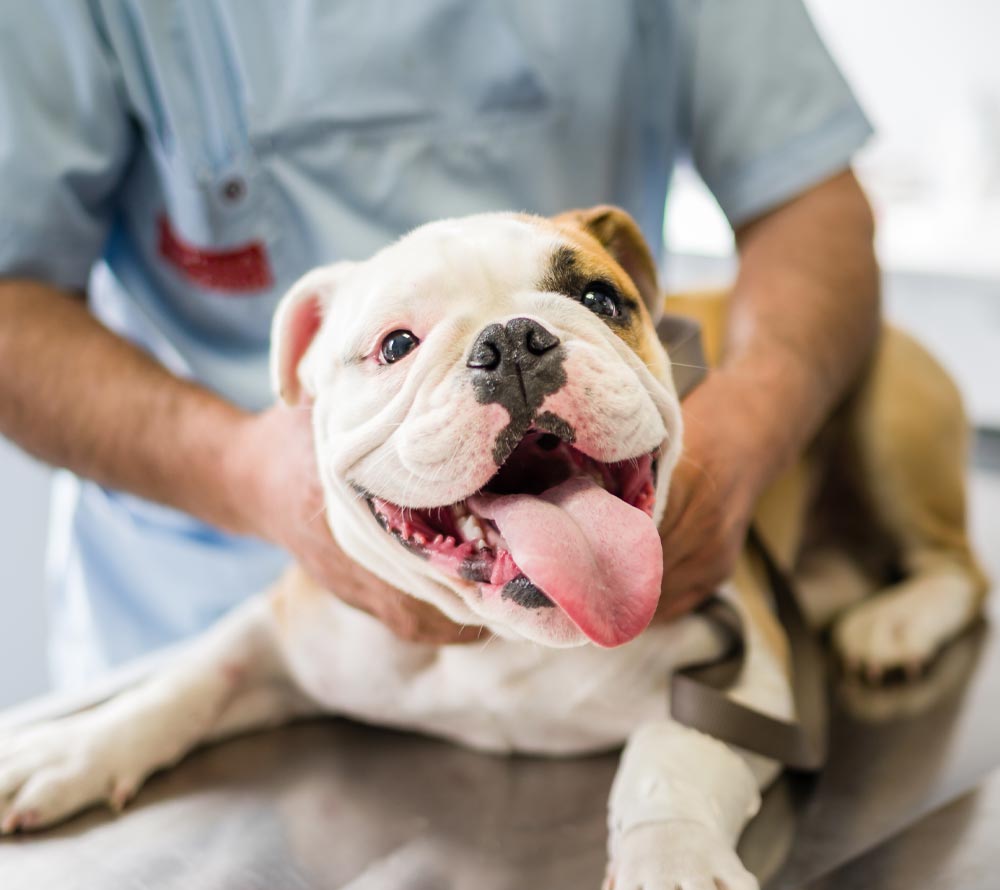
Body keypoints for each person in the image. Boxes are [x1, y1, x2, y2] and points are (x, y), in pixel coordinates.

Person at [0, 0, 878, 687]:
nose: (505, 357)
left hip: (628, 577)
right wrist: (245, 473)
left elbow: (806, 192)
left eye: (589, 295)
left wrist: (750, 427)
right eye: (397, 345)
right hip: (202, 606)